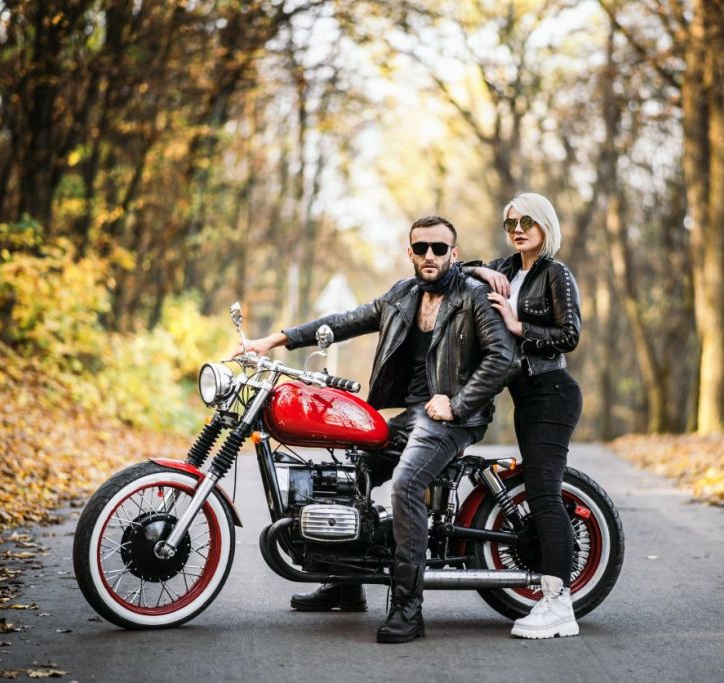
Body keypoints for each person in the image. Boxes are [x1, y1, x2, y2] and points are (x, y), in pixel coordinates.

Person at [242, 216, 515, 644]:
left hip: (455, 417)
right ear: (410, 252)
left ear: (454, 254)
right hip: (413, 414)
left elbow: (502, 358)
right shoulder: (402, 295)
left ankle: (409, 608)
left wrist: (457, 404)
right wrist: (273, 341)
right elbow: (344, 322)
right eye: (421, 247)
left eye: (439, 249)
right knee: (351, 470)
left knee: (406, 484)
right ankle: (346, 583)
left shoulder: (473, 296)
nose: (430, 255)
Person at [465, 192, 583, 639]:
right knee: (537, 486)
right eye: (510, 222)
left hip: (552, 391)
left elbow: (569, 334)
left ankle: (559, 605)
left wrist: (519, 327)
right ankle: (555, 600)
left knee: (544, 494)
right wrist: (480, 270)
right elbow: (458, 268)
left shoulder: (555, 272)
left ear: (545, 225)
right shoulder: (507, 269)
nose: (517, 229)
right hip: (526, 394)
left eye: (527, 221)